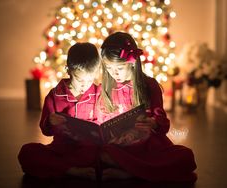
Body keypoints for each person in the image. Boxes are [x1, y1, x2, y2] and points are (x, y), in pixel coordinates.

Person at [97, 32, 197, 182]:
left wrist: (154, 122)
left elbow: (162, 122)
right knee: (103, 154)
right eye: (109, 68)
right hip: (121, 147)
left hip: (148, 145)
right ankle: (141, 171)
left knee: (186, 156)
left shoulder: (149, 85)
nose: (114, 73)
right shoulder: (105, 89)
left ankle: (130, 172)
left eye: (119, 67)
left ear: (132, 62)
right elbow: (101, 121)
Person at [18, 42, 101, 179]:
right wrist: (50, 121)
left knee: (107, 154)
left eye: (89, 80)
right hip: (62, 150)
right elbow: (46, 131)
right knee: (27, 153)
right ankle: (71, 170)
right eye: (79, 80)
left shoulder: (99, 93)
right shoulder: (55, 95)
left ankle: (61, 168)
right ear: (68, 70)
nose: (84, 85)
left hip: (89, 151)